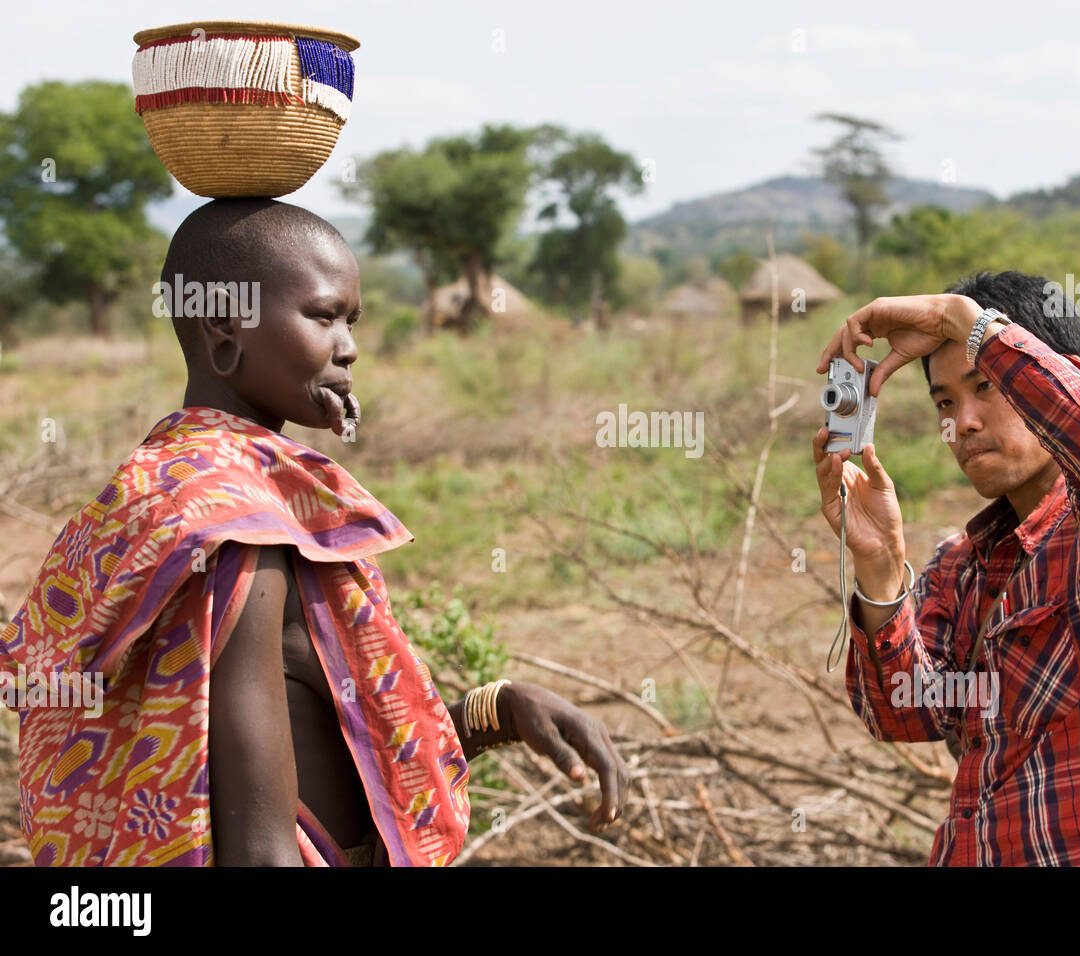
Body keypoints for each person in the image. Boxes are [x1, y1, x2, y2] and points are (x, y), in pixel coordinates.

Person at [1, 198, 628, 866]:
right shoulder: (240, 534)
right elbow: (259, 846)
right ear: (223, 328)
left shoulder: (168, 486)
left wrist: (497, 710)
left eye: (351, 321)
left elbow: (336, 736)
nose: (350, 348)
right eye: (324, 317)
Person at [811, 271, 1080, 865]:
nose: (962, 423)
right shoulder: (961, 564)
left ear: (1059, 378)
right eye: (945, 400)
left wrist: (962, 321)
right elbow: (902, 711)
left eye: (987, 386)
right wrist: (880, 568)